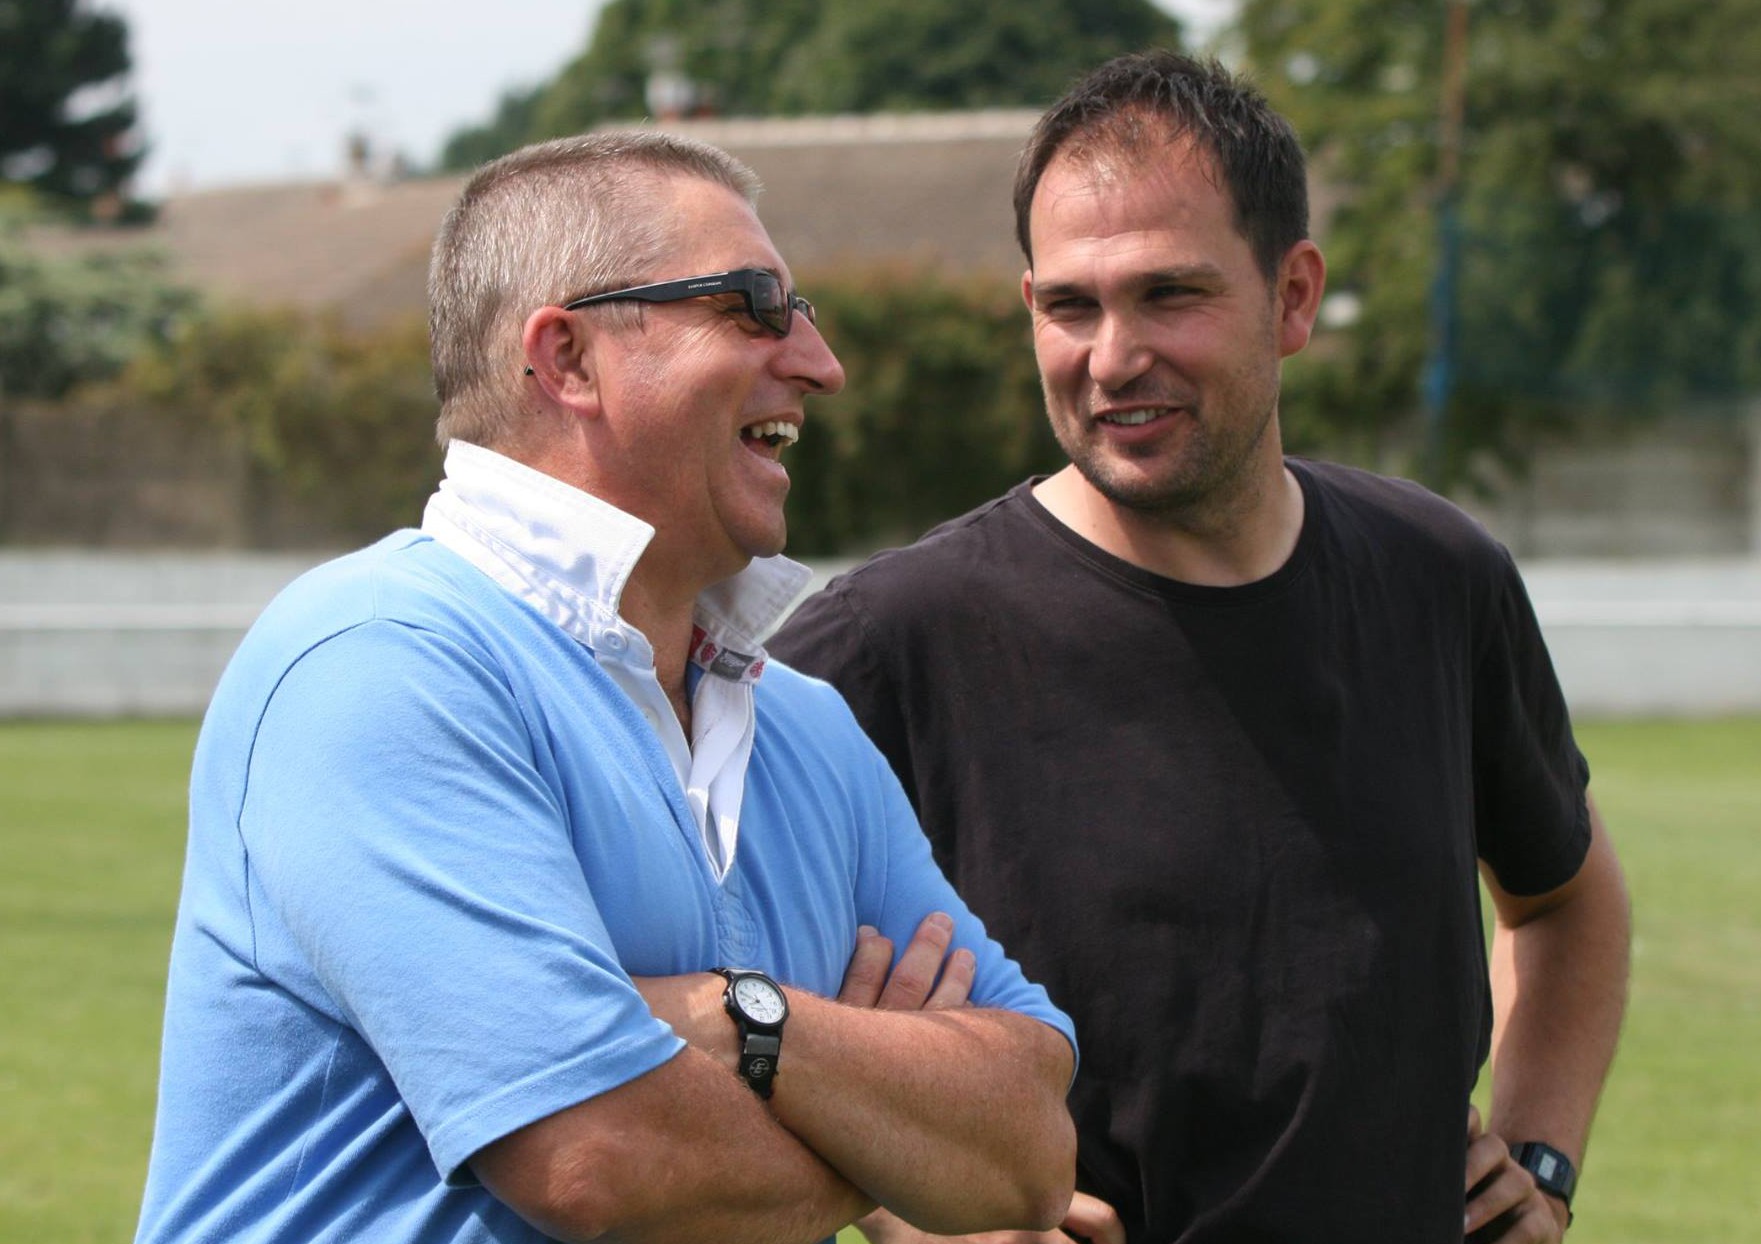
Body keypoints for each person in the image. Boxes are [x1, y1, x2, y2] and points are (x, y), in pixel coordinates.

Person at [134, 131, 1079, 1244]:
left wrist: (739, 1018)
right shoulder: (378, 661)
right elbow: (606, 1159)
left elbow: (1027, 1142)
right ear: (568, 358)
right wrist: (899, 1146)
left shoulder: (808, 727)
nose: (819, 363)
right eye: (751, 305)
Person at [769, 50, 1631, 1244]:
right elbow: (728, 1014)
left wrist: (1540, 1154)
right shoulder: (886, 643)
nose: (1113, 356)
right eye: (1073, 305)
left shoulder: (1437, 576)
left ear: (1293, 295)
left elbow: (1567, 902)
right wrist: (924, 1216)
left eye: (1170, 294)